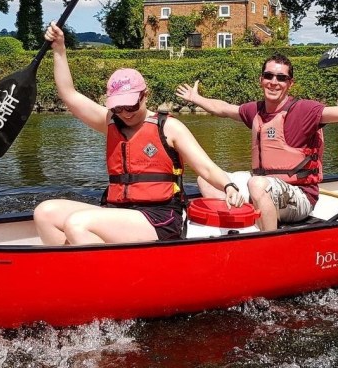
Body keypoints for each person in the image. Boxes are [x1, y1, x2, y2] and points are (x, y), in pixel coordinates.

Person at [34, 22, 245, 246]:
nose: (125, 114)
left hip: (160, 218)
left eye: (131, 106)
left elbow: (207, 168)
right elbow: (69, 94)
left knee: (78, 223)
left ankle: (103, 277)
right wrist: (59, 48)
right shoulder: (110, 122)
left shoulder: (168, 127)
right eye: (118, 108)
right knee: (45, 213)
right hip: (118, 211)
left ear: (145, 95)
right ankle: (72, 276)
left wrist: (229, 186)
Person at [175, 53, 338, 231]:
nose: (274, 82)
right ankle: (247, 224)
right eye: (269, 76)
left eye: (281, 78)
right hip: (264, 188)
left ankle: (267, 245)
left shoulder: (304, 110)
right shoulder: (256, 110)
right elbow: (224, 109)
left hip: (299, 198)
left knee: (257, 184)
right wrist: (197, 98)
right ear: (261, 80)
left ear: (290, 83)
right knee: (206, 180)